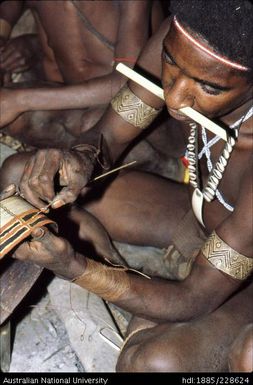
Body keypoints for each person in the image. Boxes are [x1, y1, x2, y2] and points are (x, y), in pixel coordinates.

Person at [0, 0, 252, 372]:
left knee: (152, 363)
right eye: (170, 64)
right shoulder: (183, 40)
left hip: (238, 267)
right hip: (195, 213)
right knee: (24, 175)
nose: (175, 97)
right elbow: (110, 132)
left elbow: (194, 297)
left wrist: (75, 266)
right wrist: (81, 157)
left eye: (208, 87)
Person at [0, 0, 165, 148]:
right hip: (75, 107)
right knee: (14, 116)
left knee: (91, 122)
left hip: (134, 114)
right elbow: (8, 10)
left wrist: (21, 99)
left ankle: (169, 170)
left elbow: (130, 86)